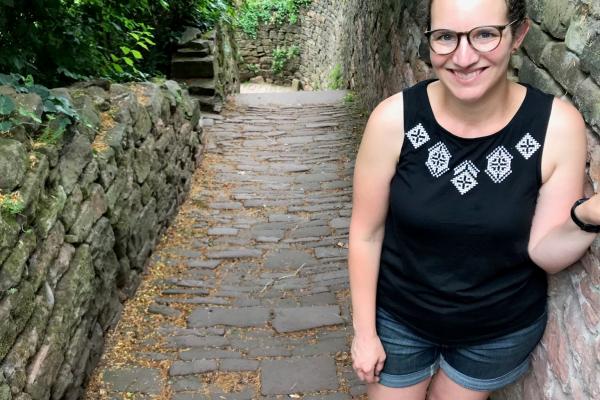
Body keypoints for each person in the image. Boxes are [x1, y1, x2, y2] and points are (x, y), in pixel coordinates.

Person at [348, 0, 600, 399]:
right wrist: (365, 333)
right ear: (429, 41)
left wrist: (590, 213)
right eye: (446, 37)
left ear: (518, 35)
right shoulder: (393, 121)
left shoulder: (556, 127)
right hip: (400, 319)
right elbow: (366, 233)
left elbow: (544, 250)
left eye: (485, 34)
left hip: (496, 333)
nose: (464, 58)